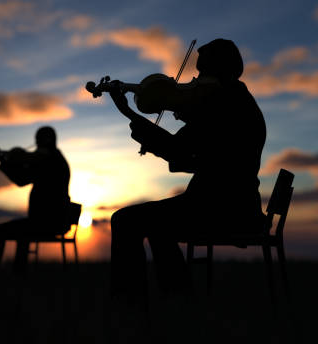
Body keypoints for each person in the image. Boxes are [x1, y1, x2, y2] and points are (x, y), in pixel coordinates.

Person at [108, 39, 267, 297]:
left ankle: (130, 303)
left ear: (219, 70)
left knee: (125, 220)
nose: (196, 81)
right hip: (234, 204)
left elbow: (178, 152)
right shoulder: (236, 101)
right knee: (156, 224)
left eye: (202, 73)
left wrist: (129, 113)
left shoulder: (222, 106)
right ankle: (177, 296)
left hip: (221, 208)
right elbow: (187, 158)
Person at [0, 126, 71, 275]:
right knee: (22, 232)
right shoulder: (52, 160)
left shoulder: (50, 160)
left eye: (38, 140)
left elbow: (22, 175)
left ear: (47, 140)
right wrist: (4, 160)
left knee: (0, 231)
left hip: (48, 222)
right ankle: (18, 275)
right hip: (51, 221)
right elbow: (22, 178)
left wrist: (9, 158)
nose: (36, 145)